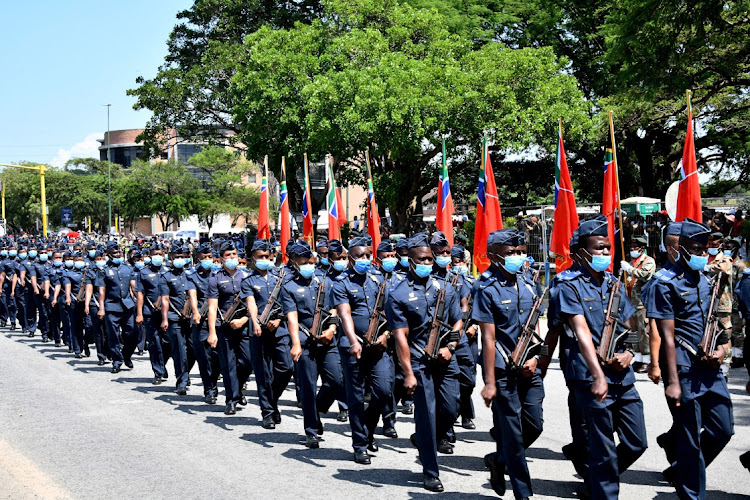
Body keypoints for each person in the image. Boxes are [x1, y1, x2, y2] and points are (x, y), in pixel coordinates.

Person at [557, 215, 647, 499]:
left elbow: (633, 327)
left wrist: (630, 353)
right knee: (603, 446)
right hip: (589, 375)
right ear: (583, 252)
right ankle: (603, 490)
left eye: (608, 248)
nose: (606, 253)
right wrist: (597, 374)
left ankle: (597, 477)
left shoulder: (614, 284)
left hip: (622, 375)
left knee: (636, 442)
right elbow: (581, 332)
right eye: (600, 249)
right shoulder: (567, 284)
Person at [647, 218, 735, 499]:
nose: (700, 255)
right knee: (688, 440)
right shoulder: (664, 283)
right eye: (695, 249)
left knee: (723, 430)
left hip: (710, 369)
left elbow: (715, 323)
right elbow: (666, 336)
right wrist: (671, 380)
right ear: (681, 248)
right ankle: (691, 493)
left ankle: (679, 470)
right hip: (683, 369)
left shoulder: (706, 281)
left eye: (703, 249)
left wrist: (722, 350)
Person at [385, 232, 462, 492]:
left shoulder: (445, 287)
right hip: (419, 361)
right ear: (410, 260)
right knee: (427, 417)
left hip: (445, 359)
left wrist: (451, 346)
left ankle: (423, 439)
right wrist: (408, 373)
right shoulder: (398, 294)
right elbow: (400, 338)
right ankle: (431, 471)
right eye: (422, 259)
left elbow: (458, 321)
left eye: (430, 259)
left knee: (451, 409)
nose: (428, 263)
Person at [474, 228, 544, 499]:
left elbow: (535, 323)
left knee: (535, 425)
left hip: (530, 366)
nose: (517, 257)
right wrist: (490, 382)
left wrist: (537, 357)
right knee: (514, 434)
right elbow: (488, 338)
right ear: (493, 256)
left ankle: (499, 460)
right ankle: (523, 493)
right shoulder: (485, 287)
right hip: (504, 370)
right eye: (511, 253)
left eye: (520, 252)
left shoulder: (528, 282)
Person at [332, 236, 393, 464]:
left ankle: (367, 429)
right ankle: (359, 444)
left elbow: (389, 311)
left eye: (368, 255)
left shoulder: (379, 281)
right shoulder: (341, 283)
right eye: (360, 256)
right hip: (353, 347)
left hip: (379, 346)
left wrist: (386, 335)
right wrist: (353, 340)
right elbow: (344, 314)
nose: (365, 259)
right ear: (350, 259)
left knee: (384, 391)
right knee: (356, 397)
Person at [280, 240, 345, 449]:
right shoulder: (289, 286)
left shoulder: (324, 281)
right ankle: (311, 430)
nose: (309, 264)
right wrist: (296, 344)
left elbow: (334, 309)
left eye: (310, 260)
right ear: (294, 262)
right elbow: (292, 317)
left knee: (337, 381)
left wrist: (331, 330)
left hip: (328, 340)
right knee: (308, 386)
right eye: (303, 260)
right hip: (306, 342)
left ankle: (318, 410)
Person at [242, 239, 293, 428]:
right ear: (253, 258)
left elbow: (287, 303)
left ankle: (272, 401)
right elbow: (251, 304)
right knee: (263, 374)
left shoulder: (280, 278)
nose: (264, 259)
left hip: (279, 330)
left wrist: (279, 319)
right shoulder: (249, 281)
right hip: (258, 332)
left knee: (286, 368)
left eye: (267, 256)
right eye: (260, 256)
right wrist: (255, 322)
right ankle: (268, 413)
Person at [207, 241, 252, 415]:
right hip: (224, 327)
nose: (232, 258)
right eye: (228, 255)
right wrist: (212, 332)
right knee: (228, 365)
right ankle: (231, 399)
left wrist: (244, 319)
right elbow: (212, 307)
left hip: (244, 326)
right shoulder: (215, 279)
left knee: (247, 362)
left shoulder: (246, 277)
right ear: (221, 258)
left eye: (234, 255)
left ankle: (239, 388)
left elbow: (253, 304)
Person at [159, 244, 198, 395]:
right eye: (177, 257)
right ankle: (181, 380)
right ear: (171, 258)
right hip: (174, 318)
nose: (180, 260)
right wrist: (164, 319)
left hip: (191, 319)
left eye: (182, 257)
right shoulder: (166, 277)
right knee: (179, 351)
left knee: (194, 349)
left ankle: (185, 372)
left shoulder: (191, 275)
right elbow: (165, 300)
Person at [95, 241, 138, 373]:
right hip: (111, 307)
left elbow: (133, 286)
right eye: (114, 253)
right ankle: (117, 361)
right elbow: (101, 291)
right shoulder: (103, 271)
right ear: (108, 254)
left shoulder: (128, 268)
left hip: (127, 306)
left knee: (132, 334)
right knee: (113, 336)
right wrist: (101, 308)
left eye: (119, 252)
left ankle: (126, 355)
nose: (117, 254)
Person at [188, 243, 221, 404]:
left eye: (210, 257)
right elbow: (193, 296)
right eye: (204, 257)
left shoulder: (219, 274)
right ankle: (209, 389)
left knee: (218, 357)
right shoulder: (193, 276)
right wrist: (195, 312)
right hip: (201, 320)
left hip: (220, 321)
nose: (208, 260)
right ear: (198, 259)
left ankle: (217, 384)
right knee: (204, 358)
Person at [135, 244, 170, 384]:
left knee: (167, 342)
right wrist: (139, 314)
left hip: (167, 313)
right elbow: (140, 294)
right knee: (154, 343)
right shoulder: (143, 272)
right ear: (150, 256)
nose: (158, 257)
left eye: (160, 254)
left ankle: (162, 364)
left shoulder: (169, 271)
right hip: (150, 312)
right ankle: (158, 371)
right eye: (155, 254)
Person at [620, 236, 656, 373]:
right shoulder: (631, 262)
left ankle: (647, 360)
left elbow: (644, 275)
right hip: (631, 302)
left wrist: (629, 269)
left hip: (642, 303)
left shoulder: (648, 262)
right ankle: (638, 358)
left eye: (635, 247)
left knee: (644, 332)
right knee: (634, 331)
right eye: (631, 247)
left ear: (642, 248)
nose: (632, 249)